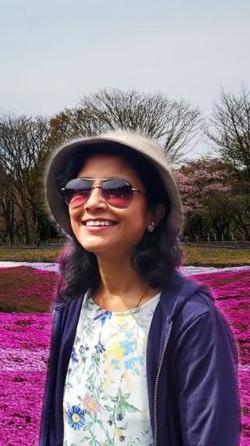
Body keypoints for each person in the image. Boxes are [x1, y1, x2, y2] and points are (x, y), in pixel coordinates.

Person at [39, 130, 239, 445]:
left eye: (117, 190)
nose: (93, 203)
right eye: (79, 189)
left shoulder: (192, 321)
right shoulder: (73, 310)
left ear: (154, 214)